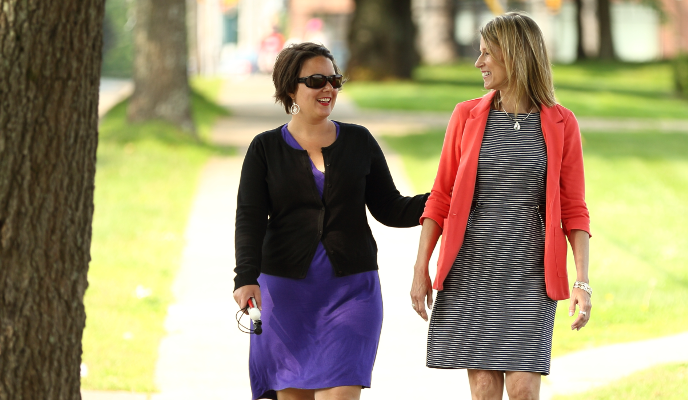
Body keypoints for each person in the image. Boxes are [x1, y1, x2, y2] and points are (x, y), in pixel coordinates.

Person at [409, 12, 593, 400]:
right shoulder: (466, 116)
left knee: (524, 389)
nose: (479, 64)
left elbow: (574, 206)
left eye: (487, 54)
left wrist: (581, 281)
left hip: (529, 274)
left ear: (515, 56)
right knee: (484, 389)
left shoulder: (562, 123)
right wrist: (421, 267)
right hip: (472, 269)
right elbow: (440, 196)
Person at [234, 42, 428, 400]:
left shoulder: (359, 141)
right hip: (285, 295)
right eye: (317, 81)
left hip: (352, 292)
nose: (328, 89)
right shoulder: (264, 149)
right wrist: (245, 278)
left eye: (334, 80)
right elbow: (249, 218)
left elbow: (389, 207)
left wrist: (444, 201)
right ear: (291, 87)